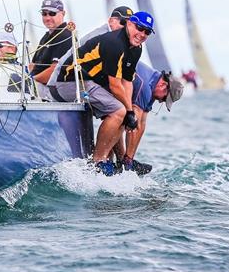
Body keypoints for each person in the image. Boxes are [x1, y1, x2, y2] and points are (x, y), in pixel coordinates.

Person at [51, 11, 155, 175]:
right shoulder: (115, 43)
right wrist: (128, 110)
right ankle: (98, 161)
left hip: (90, 83)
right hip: (69, 82)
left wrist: (130, 113)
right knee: (119, 111)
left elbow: (126, 81)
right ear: (129, 23)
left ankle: (114, 161)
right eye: (139, 28)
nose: (142, 34)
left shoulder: (136, 48)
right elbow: (115, 85)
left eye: (147, 32)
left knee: (123, 111)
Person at [112, 62, 184, 175]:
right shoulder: (145, 87)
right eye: (165, 98)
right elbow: (134, 125)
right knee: (126, 119)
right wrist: (128, 162)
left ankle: (125, 161)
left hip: (117, 88)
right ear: (163, 85)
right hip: (104, 80)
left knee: (131, 120)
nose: (161, 101)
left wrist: (129, 158)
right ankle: (123, 162)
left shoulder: (153, 84)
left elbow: (142, 123)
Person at [47, 5, 134, 90]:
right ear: (111, 21)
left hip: (77, 78)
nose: (127, 28)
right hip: (62, 82)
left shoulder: (115, 38)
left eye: (130, 25)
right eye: (123, 22)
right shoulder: (103, 36)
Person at [30, 0, 73, 99]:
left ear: (62, 13)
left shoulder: (65, 36)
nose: (47, 17)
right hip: (39, 90)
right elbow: (33, 65)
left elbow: (54, 72)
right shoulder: (46, 37)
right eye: (44, 14)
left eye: (52, 13)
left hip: (53, 92)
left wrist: (30, 80)